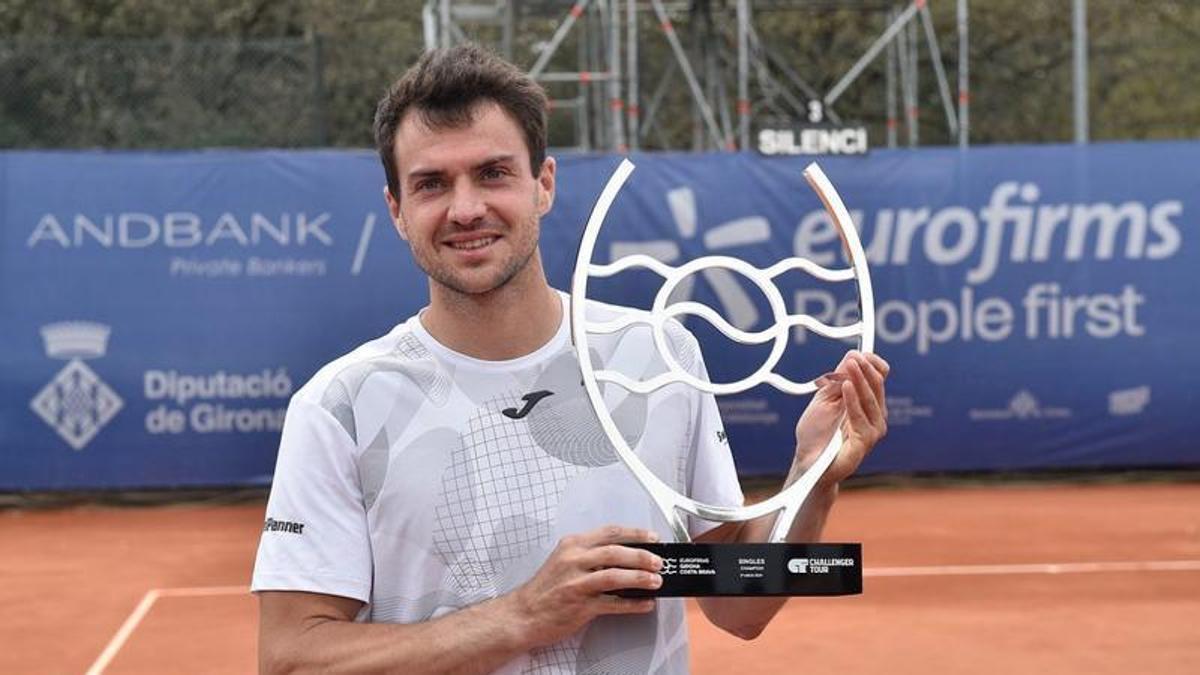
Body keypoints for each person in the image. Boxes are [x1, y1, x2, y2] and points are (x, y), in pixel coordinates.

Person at [252, 43, 890, 674]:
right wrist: (523, 615)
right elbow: (291, 660)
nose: (467, 207)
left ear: (544, 185)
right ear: (396, 210)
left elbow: (739, 609)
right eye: (431, 184)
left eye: (494, 173)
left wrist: (814, 473)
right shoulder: (341, 405)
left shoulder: (657, 355)